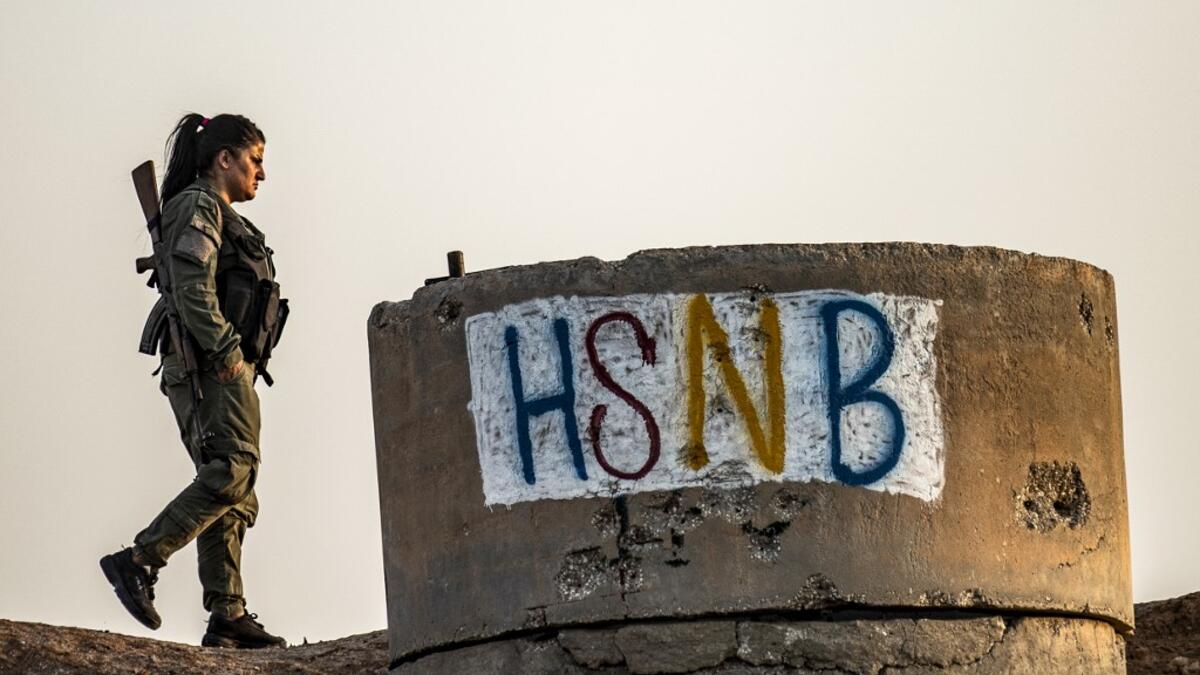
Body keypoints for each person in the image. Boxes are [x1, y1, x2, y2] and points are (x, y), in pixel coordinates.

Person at [101, 112, 288, 649]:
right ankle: (138, 560)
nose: (261, 174)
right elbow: (191, 286)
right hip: (211, 364)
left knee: (235, 486)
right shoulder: (199, 207)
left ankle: (226, 613)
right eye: (255, 160)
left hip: (230, 366)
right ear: (223, 158)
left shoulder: (221, 215)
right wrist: (227, 353)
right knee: (232, 470)